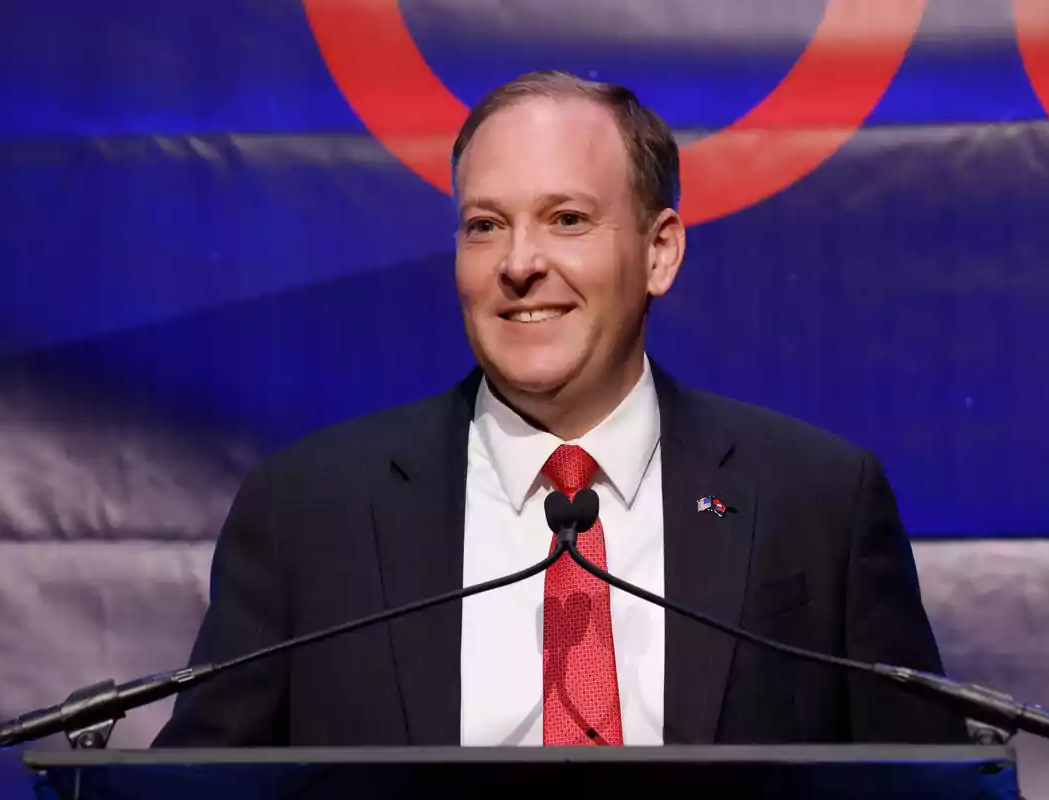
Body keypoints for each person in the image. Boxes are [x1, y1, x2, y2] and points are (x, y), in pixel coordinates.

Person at [154, 70, 965, 747]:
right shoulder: (310, 510)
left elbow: (929, 782)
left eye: (566, 219)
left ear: (659, 251)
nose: (519, 264)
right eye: (484, 226)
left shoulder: (816, 500)